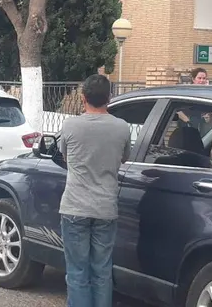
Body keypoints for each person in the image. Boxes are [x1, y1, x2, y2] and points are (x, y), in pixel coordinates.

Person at [58, 74, 131, 307]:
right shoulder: (122, 127)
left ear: (83, 98)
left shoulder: (71, 125)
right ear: (109, 98)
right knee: (102, 271)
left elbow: (65, 156)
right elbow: (124, 158)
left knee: (78, 271)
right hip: (106, 209)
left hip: (74, 207)